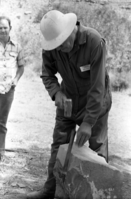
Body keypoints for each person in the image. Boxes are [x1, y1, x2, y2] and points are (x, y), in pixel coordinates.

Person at [25, 10, 112, 199]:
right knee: (59, 145)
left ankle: (99, 195)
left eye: (64, 40)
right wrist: (57, 93)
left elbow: (98, 87)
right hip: (69, 101)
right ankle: (52, 190)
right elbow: (47, 75)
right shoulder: (52, 46)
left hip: (96, 102)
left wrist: (88, 122)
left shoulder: (94, 41)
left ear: (72, 28)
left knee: (97, 149)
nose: (61, 46)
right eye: (56, 44)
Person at [0, 16, 24, 159]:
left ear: (10, 28)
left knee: (2, 122)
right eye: (0, 28)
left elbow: (21, 67)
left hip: (8, 90)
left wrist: (15, 80)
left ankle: (0, 154)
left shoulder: (17, 47)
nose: (2, 30)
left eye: (5, 27)